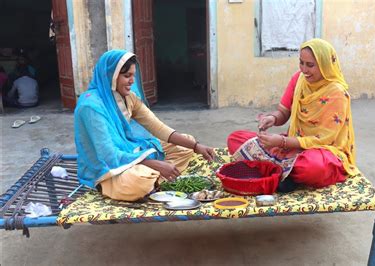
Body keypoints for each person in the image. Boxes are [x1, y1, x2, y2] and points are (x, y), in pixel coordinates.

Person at [74, 50, 215, 201]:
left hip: (128, 152)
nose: (132, 81)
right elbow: (108, 155)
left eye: (133, 75)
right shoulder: (90, 106)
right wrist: (156, 165)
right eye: (127, 76)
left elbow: (158, 127)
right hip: (107, 169)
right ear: (111, 76)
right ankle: (138, 182)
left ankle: (153, 179)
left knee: (185, 145)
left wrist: (196, 146)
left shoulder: (128, 98)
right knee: (140, 180)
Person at [227, 38, 359, 192]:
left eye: (310, 65)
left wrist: (282, 142)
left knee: (311, 168)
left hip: (323, 151)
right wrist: (273, 118)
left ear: (325, 65)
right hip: (292, 145)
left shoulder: (337, 93)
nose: (304, 69)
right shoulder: (299, 79)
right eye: (301, 62)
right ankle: (283, 173)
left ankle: (275, 170)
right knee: (235, 139)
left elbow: (324, 139)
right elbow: (284, 112)